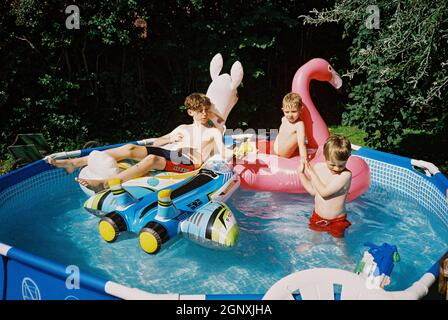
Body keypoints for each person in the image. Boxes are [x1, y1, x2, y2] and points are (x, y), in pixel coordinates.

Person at [48, 93, 235, 192]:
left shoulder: (212, 132)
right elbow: (158, 141)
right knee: (131, 148)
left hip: (189, 164)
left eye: (206, 110)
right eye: (199, 110)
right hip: (173, 155)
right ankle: (76, 162)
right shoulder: (182, 128)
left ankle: (105, 184)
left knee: (152, 158)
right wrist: (169, 139)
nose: (203, 114)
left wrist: (231, 154)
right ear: (190, 112)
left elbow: (222, 148)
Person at [297, 135, 352, 238]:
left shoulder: (345, 175)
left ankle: (344, 255)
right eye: (332, 164)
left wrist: (312, 172)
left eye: (341, 165)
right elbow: (313, 191)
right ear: (325, 157)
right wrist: (301, 174)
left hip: (337, 220)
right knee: (313, 239)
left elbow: (324, 193)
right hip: (317, 217)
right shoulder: (319, 167)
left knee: (339, 244)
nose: (336, 168)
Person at [273, 92, 308, 161]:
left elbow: (302, 145)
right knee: (302, 136)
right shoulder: (286, 120)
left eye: (293, 111)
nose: (290, 115)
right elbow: (302, 145)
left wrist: (303, 160)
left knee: (300, 136)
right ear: (283, 110)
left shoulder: (296, 123)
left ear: (300, 109)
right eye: (287, 112)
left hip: (279, 150)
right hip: (281, 152)